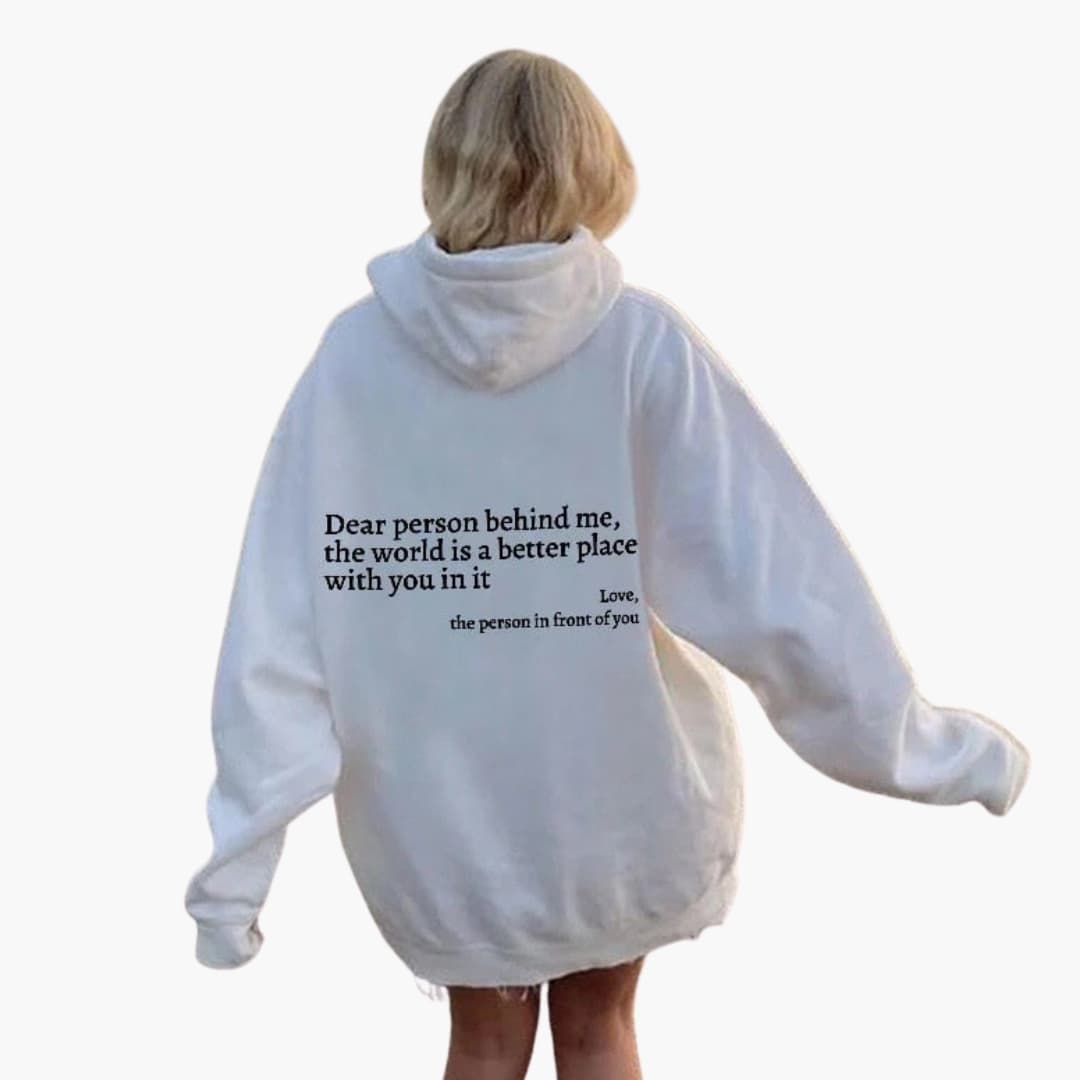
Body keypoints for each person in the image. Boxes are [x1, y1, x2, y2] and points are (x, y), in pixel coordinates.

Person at [183, 47, 1031, 1080]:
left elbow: (278, 615)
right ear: (592, 163)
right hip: (615, 787)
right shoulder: (638, 346)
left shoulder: (353, 361)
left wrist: (238, 861)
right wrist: (921, 745)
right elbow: (771, 577)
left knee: (481, 1039)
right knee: (599, 1033)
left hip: (432, 801)